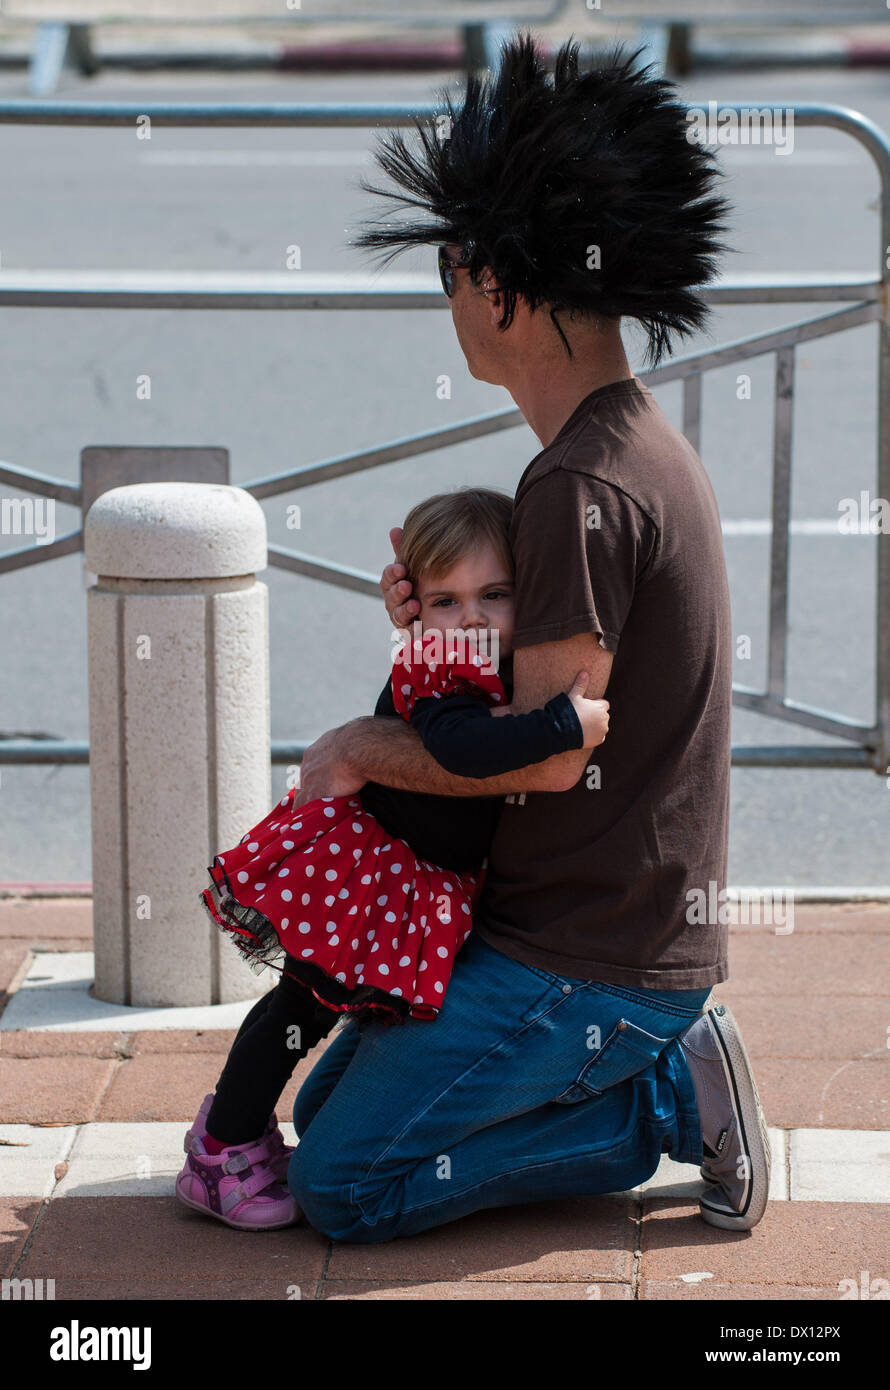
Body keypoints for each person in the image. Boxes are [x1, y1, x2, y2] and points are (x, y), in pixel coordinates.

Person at [282, 32, 770, 1242]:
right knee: (331, 1109)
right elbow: (554, 698)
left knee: (341, 1185)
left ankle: (659, 1098)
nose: (449, 307)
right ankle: (637, 1072)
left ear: (496, 288)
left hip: (590, 958)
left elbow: (547, 751)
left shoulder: (575, 486)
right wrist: (441, 634)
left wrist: (355, 744)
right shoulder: (625, 443)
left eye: (451, 278)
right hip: (580, 928)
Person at [175, 486, 610, 1230]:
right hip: (369, 873)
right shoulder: (442, 667)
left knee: (313, 1012)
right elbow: (460, 749)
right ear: (416, 606)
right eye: (447, 601)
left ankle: (235, 1138)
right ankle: (220, 1151)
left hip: (405, 874)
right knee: (298, 1008)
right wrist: (561, 723)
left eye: (495, 594)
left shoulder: (480, 654)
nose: (471, 617)